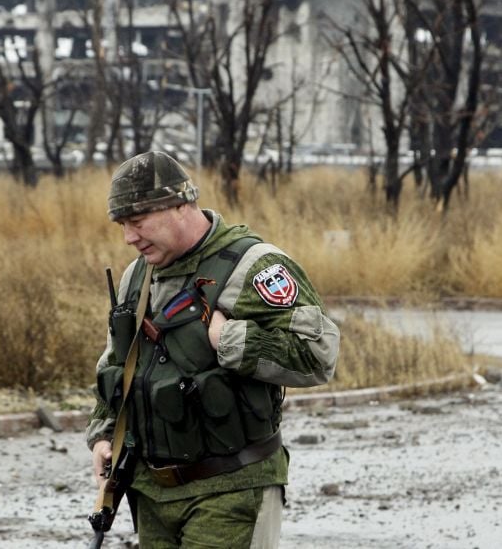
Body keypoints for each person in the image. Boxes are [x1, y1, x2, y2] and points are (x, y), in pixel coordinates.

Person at [86, 151, 340, 548]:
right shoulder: (137, 275)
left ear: (181, 205)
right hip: (152, 493)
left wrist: (231, 341)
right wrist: (103, 437)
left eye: (138, 222)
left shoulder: (253, 266)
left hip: (232, 487)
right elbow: (117, 366)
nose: (129, 237)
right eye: (122, 225)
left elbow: (319, 356)